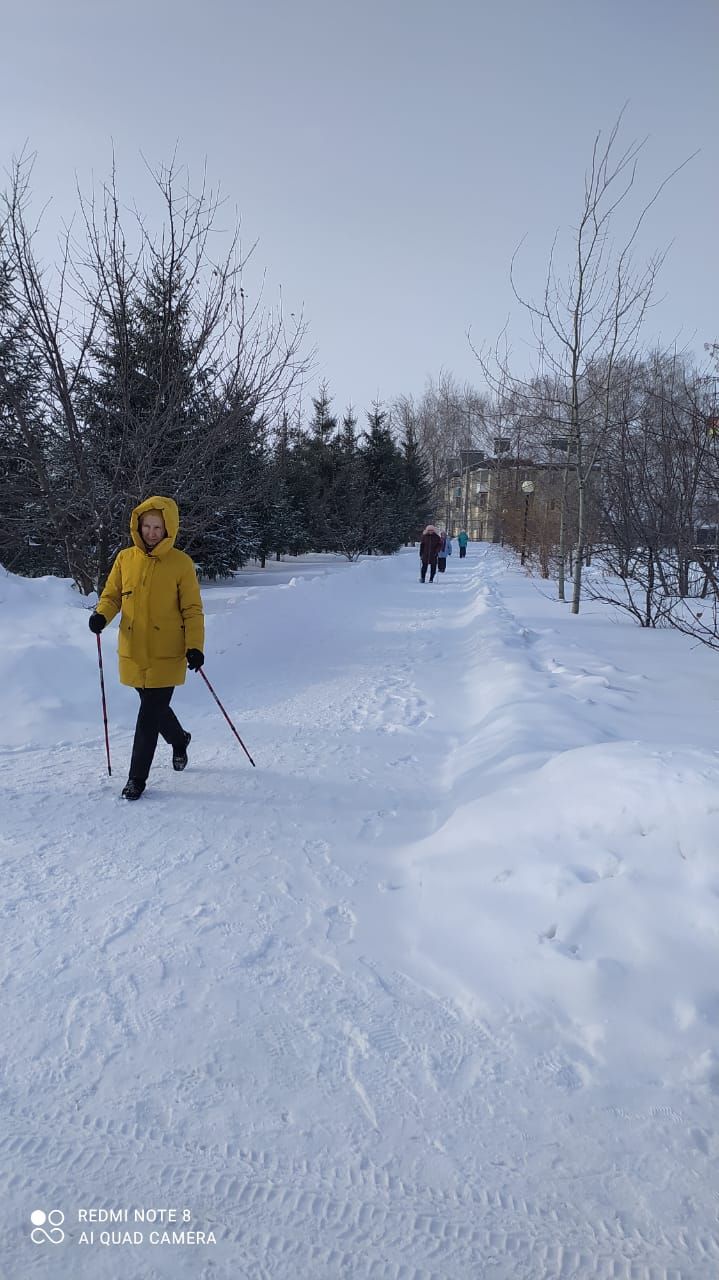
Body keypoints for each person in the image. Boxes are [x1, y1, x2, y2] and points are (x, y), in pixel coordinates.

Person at [89, 496, 205, 800]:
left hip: (167, 651)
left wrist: (195, 646)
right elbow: (112, 595)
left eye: (158, 527)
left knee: (148, 715)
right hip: (133, 649)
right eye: (147, 526)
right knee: (154, 708)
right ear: (138, 526)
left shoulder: (181, 563)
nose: (152, 532)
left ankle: (136, 779)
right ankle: (180, 740)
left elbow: (192, 609)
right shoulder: (126, 558)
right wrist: (102, 615)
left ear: (169, 529)